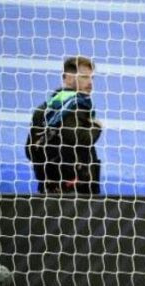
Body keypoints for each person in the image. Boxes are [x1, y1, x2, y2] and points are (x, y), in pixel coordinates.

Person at [25, 56, 102, 194]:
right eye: (84, 77)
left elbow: (30, 151)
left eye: (92, 78)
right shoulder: (77, 105)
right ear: (68, 77)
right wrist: (96, 127)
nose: (90, 82)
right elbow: (80, 139)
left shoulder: (43, 110)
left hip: (48, 189)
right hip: (77, 192)